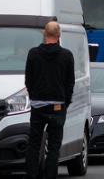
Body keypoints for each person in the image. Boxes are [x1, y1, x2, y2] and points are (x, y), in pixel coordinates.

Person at [24, 21, 75, 179]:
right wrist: (65, 102)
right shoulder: (67, 56)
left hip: (38, 106)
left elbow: (28, 80)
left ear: (44, 34)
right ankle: (50, 175)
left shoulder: (33, 54)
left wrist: (34, 96)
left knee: (34, 144)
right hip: (58, 106)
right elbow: (70, 82)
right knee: (53, 147)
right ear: (59, 35)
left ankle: (32, 175)